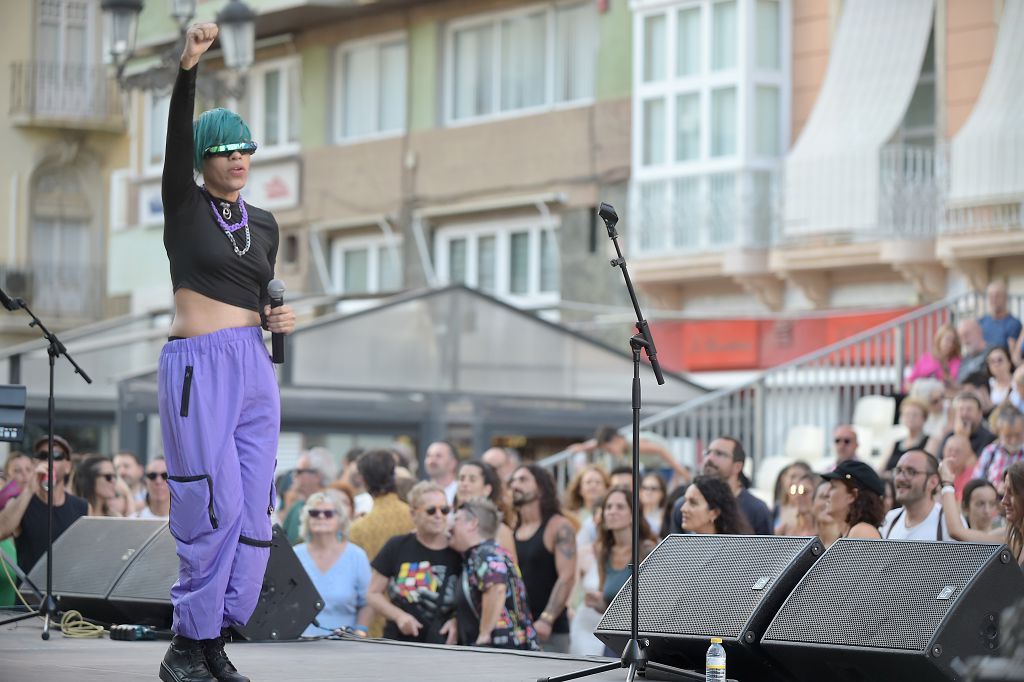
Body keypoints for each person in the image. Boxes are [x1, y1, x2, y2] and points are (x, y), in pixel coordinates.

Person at [155, 22, 297, 682]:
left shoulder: (264, 223)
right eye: (225, 149)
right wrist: (188, 66)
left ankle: (215, 640)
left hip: (253, 365)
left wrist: (280, 320)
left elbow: (262, 291)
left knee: (250, 509)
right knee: (207, 502)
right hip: (198, 365)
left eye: (246, 148)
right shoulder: (184, 204)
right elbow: (176, 136)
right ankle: (186, 642)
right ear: (204, 157)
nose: (239, 158)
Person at [367, 482, 461, 644]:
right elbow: (373, 593)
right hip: (399, 643)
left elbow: (474, 599)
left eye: (444, 510)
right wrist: (399, 616)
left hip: (444, 645)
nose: (439, 515)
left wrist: (457, 622)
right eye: (431, 510)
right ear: (413, 514)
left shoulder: (459, 550)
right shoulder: (397, 546)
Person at [448, 497, 540, 650]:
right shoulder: (489, 552)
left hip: (503, 653)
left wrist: (484, 636)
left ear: (473, 524)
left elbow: (496, 588)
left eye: (456, 519)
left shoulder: (485, 553)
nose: (450, 524)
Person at [510, 464, 577, 653]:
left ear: (540, 487)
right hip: (516, 629)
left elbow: (567, 577)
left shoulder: (559, 526)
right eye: (513, 480)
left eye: (523, 480)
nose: (515, 485)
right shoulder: (512, 528)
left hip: (549, 631)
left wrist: (547, 619)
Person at [348, 449, 415, 638]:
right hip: (412, 610)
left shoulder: (359, 528)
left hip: (372, 615)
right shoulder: (414, 516)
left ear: (363, 479)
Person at [584, 487, 658, 656]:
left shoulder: (647, 550)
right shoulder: (604, 552)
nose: (612, 512)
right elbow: (609, 606)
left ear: (633, 514)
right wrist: (598, 602)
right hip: (614, 640)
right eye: (608, 507)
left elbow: (654, 605)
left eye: (619, 507)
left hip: (642, 643)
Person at [0, 435, 88, 574]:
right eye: (43, 455)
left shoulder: (82, 506)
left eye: (57, 456)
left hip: (67, 592)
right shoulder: (21, 503)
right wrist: (29, 489)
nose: (49, 460)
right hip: (30, 595)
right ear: (35, 463)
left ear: (68, 467)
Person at [293, 491, 371, 637]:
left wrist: (360, 632)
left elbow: (367, 602)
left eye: (328, 513)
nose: (321, 516)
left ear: (340, 519)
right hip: (300, 646)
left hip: (345, 645)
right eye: (314, 513)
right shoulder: (295, 555)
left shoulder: (356, 556)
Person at [670, 437, 771, 535]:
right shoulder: (681, 506)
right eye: (707, 453)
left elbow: (767, 551)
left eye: (719, 454)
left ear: (737, 466)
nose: (709, 458)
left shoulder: (757, 510)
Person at [940, 461, 1024, 565]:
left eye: (1011, 493)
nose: (1003, 501)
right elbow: (958, 532)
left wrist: (947, 483)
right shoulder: (1012, 537)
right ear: (965, 506)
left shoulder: (1011, 541)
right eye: (980, 504)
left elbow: (956, 531)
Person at [570, 426, 688, 486]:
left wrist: (680, 471)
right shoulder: (621, 443)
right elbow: (596, 444)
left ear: (616, 440)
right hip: (651, 467)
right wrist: (582, 447)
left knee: (647, 487)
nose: (609, 453)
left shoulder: (634, 443)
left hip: (664, 466)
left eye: (609, 449)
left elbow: (661, 450)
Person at [881, 450, 955, 541]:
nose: (900, 478)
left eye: (911, 472)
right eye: (898, 471)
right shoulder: (890, 519)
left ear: (933, 482)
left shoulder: (948, 522)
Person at [454, 460, 517, 562]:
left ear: (487, 489)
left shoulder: (500, 530)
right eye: (461, 479)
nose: (464, 484)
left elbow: (512, 571)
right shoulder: (448, 523)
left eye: (472, 479)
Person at [282, 448, 336, 544]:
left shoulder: (332, 508)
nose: (294, 476)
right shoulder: (297, 506)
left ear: (317, 476)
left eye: (299, 471)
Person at [820, 460, 885, 539]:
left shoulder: (862, 531)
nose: (826, 493)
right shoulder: (849, 532)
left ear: (852, 495)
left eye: (833, 487)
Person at [680, 475, 752, 535]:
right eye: (685, 501)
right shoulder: (681, 547)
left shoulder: (736, 549)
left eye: (693, 503)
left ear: (715, 512)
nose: (683, 508)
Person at [937, 392, 996, 461]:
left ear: (979, 414)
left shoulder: (989, 438)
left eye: (969, 409)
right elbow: (940, 462)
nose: (964, 414)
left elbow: (976, 466)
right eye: (961, 409)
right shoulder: (949, 436)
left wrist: (963, 438)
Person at [905, 323, 961, 392]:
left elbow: (956, 386)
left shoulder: (957, 361)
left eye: (953, 341)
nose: (950, 344)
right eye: (947, 339)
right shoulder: (926, 358)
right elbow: (908, 383)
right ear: (939, 339)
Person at [884, 398, 930, 471]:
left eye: (915, 415)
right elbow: (881, 468)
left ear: (924, 418)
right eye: (907, 414)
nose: (910, 418)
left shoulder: (930, 441)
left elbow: (926, 468)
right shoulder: (895, 443)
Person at [563, 465, 610, 529]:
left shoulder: (612, 513)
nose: (593, 486)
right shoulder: (572, 517)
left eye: (598, 482)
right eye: (588, 482)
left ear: (606, 488)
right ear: (579, 489)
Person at [771, 462, 813, 532]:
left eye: (801, 478)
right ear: (783, 478)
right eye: (793, 476)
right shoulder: (776, 509)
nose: (796, 481)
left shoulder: (810, 510)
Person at [980, 280, 1021, 350]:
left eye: (997, 295)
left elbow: (1013, 354)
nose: (993, 299)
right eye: (990, 295)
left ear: (1005, 298)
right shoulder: (981, 322)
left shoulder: (1014, 324)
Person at [775, 472, 820, 537]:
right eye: (796, 491)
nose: (797, 496)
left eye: (804, 492)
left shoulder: (829, 532)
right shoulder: (785, 530)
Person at [941, 436, 977, 501]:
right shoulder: (936, 473)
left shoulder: (973, 476)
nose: (952, 454)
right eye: (950, 450)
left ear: (967, 455)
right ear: (943, 451)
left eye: (958, 451)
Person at [957, 318, 989, 382]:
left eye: (966, 334)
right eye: (961, 337)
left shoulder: (993, 353)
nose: (964, 340)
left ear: (979, 331)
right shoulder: (965, 359)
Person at [812, 480, 841, 547]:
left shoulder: (851, 539)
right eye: (823, 497)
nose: (827, 502)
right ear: (812, 504)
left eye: (832, 497)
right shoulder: (806, 543)